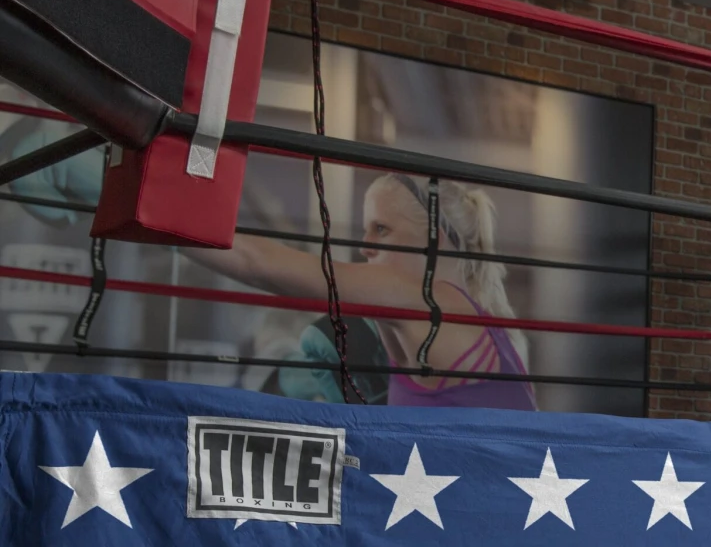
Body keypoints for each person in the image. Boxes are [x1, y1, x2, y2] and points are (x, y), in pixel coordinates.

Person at [188, 174, 536, 410]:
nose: (364, 246)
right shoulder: (476, 321)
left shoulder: (432, 303)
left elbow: (258, 263)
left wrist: (173, 224)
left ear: (434, 241)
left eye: (381, 229)